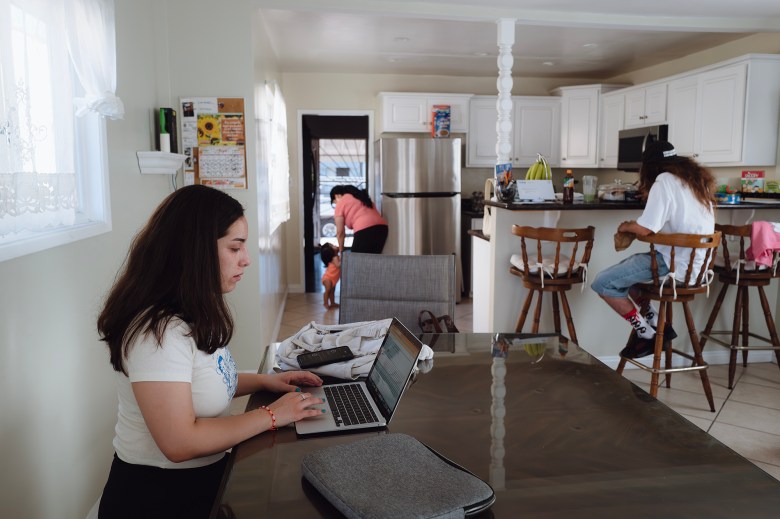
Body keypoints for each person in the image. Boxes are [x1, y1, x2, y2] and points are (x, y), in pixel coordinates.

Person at [96, 185, 325, 518]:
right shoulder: (157, 333)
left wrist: (264, 382)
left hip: (199, 480)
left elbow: (202, 380)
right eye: (235, 247)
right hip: (158, 496)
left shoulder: (191, 311)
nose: (246, 259)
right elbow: (179, 443)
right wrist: (274, 415)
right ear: (196, 251)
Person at [590, 140, 716, 359]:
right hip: (696, 267)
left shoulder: (663, 181)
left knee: (603, 283)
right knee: (630, 283)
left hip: (672, 264)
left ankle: (647, 335)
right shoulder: (695, 181)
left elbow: (646, 229)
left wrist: (625, 226)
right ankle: (660, 325)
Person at [330, 185, 388, 254]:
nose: (336, 204)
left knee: (356, 261)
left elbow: (340, 232)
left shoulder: (341, 203)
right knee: (373, 261)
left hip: (365, 230)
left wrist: (341, 251)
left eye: (334, 202)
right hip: (382, 229)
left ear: (337, 196)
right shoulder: (359, 197)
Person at [320, 242, 341, 309]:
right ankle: (325, 303)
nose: (335, 245)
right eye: (332, 246)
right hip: (328, 278)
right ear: (331, 251)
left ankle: (332, 303)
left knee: (332, 291)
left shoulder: (336, 257)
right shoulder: (334, 258)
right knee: (328, 290)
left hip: (332, 279)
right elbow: (338, 265)